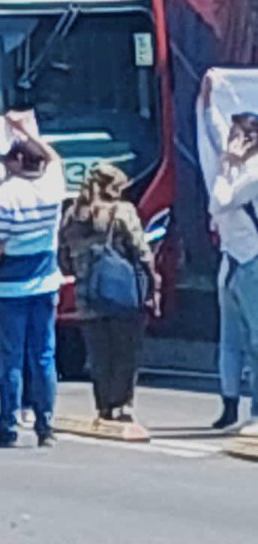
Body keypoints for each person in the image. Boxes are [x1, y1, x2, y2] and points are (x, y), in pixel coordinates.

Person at [0, 115, 65, 448]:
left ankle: (9, 424)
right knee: (44, 354)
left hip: (13, 285)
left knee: (10, 358)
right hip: (46, 280)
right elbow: (55, 158)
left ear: (16, 162)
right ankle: (45, 425)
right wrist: (27, 131)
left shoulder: (8, 193)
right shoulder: (54, 185)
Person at [59, 162, 160, 421]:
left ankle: (103, 405)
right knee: (127, 349)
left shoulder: (73, 213)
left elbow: (63, 258)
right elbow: (140, 249)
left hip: (87, 293)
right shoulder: (122, 211)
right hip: (122, 291)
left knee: (99, 353)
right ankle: (123, 403)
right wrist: (153, 282)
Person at [202, 72, 258, 429]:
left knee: (256, 340)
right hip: (231, 261)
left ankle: (256, 411)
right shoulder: (236, 164)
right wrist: (207, 100)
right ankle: (228, 407)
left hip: (253, 261)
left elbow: (218, 203)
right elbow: (212, 128)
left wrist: (225, 166)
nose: (229, 141)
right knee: (229, 340)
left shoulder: (251, 174)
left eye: (237, 136)